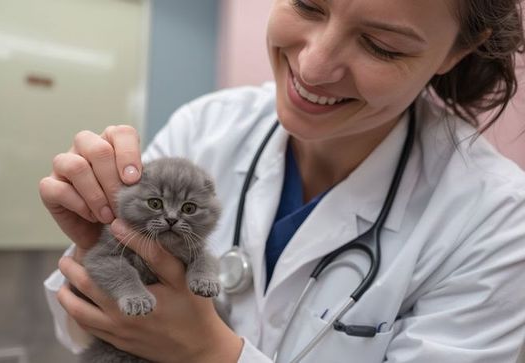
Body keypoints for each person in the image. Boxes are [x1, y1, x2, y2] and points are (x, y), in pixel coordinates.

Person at [39, 0, 525, 362]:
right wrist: (97, 239)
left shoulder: (495, 219)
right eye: (307, 4)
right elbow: (81, 329)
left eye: (381, 45)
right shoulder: (206, 127)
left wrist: (213, 354)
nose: (312, 68)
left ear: (459, 50)